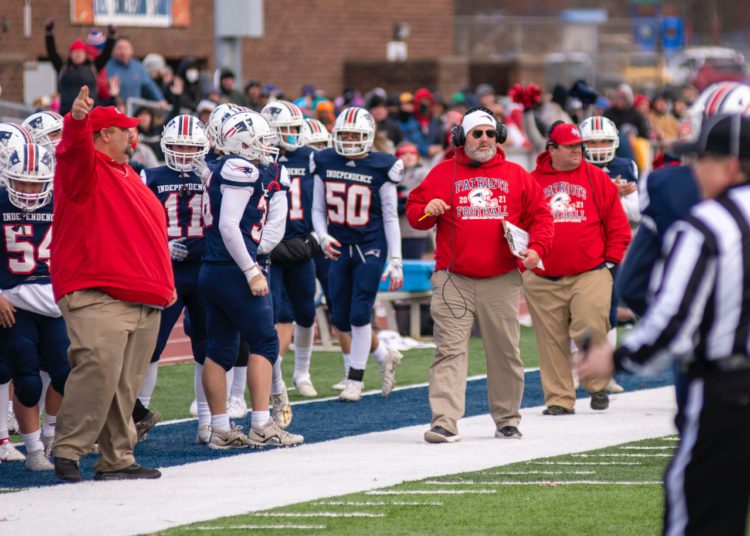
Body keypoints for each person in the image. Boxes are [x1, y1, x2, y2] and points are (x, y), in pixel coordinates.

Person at [578, 113, 750, 536]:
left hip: (729, 392)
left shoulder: (709, 224)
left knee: (699, 518)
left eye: (702, 160)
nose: (695, 171)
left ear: (729, 165)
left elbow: (675, 321)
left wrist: (617, 358)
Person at [407, 106, 554, 443]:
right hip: (453, 277)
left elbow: (542, 217)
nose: (484, 139)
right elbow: (415, 212)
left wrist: (538, 249)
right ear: (462, 138)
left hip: (501, 278)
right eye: (477, 133)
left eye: (490, 133)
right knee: (449, 349)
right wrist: (427, 212)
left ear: (498, 135)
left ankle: (507, 419)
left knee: (505, 351)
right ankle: (444, 421)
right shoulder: (443, 172)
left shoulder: (517, 175)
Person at [51, 87, 175, 482]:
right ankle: (68, 448)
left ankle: (117, 459)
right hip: (97, 290)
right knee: (99, 366)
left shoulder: (129, 175)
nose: (132, 136)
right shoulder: (85, 169)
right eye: (124, 130)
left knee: (126, 385)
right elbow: (72, 152)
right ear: (104, 135)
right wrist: (77, 121)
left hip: (144, 295)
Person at [197, 110, 303, 449]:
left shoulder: (220, 168)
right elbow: (230, 227)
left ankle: (219, 428)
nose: (267, 146)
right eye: (259, 140)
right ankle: (260, 424)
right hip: (234, 267)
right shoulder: (239, 169)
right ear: (240, 143)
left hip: (213, 267)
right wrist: (251, 270)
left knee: (220, 349)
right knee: (264, 343)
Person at [524, 121, 631, 416]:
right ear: (552, 149)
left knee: (592, 324)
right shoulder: (532, 181)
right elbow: (519, 224)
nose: (577, 151)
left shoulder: (596, 178)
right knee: (550, 339)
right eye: (569, 146)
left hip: (590, 270)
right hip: (542, 273)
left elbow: (617, 226)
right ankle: (559, 399)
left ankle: (597, 384)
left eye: (578, 146)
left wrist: (609, 262)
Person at [312, 106, 404, 402]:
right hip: (339, 244)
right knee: (340, 317)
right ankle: (384, 358)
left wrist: (396, 259)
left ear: (368, 136)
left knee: (359, 312)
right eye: (345, 134)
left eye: (356, 134)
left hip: (370, 245)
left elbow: (390, 216)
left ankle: (356, 379)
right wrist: (321, 235)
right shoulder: (323, 160)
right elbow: (317, 208)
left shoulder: (383, 165)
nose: (350, 140)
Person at [138, 115, 210, 442]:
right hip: (165, 271)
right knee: (151, 344)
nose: (183, 152)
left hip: (204, 267)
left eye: (191, 147)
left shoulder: (214, 174)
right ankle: (138, 416)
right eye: (178, 145)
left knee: (207, 345)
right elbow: (136, 220)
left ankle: (209, 419)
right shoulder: (149, 175)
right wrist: (160, 245)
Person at [0, 143, 70, 471]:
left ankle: (51, 433)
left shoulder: (61, 204)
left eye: (36, 183)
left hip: (54, 304)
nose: (29, 191)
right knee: (26, 380)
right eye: (22, 182)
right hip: (13, 305)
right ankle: (33, 452)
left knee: (68, 373)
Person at [261, 101, 320, 411]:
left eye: (296, 129)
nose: (294, 135)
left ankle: (302, 372)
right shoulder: (259, 159)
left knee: (306, 311)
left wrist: (319, 231)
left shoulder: (310, 158)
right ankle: (276, 377)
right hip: (271, 246)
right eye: (287, 130)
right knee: (275, 314)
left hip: (300, 242)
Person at [44, 19, 116, 115]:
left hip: (90, 112)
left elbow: (106, 54)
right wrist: (49, 33)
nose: (78, 55)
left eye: (80, 52)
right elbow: (52, 53)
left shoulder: (93, 66)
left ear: (85, 54)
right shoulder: (63, 67)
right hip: (67, 113)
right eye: (75, 52)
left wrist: (111, 35)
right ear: (70, 54)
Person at [395, 142, 430, 259]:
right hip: (396, 228)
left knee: (412, 264)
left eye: (412, 153)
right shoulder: (394, 174)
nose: (409, 156)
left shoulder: (423, 172)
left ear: (418, 157)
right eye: (404, 154)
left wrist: (401, 194)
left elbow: (420, 192)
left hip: (414, 229)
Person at [105, 38, 166, 105]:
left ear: (131, 50)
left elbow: (150, 86)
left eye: (125, 48)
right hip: (115, 108)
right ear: (113, 50)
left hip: (134, 110)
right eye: (119, 48)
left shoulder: (138, 67)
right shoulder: (107, 67)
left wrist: (160, 100)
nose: (122, 52)